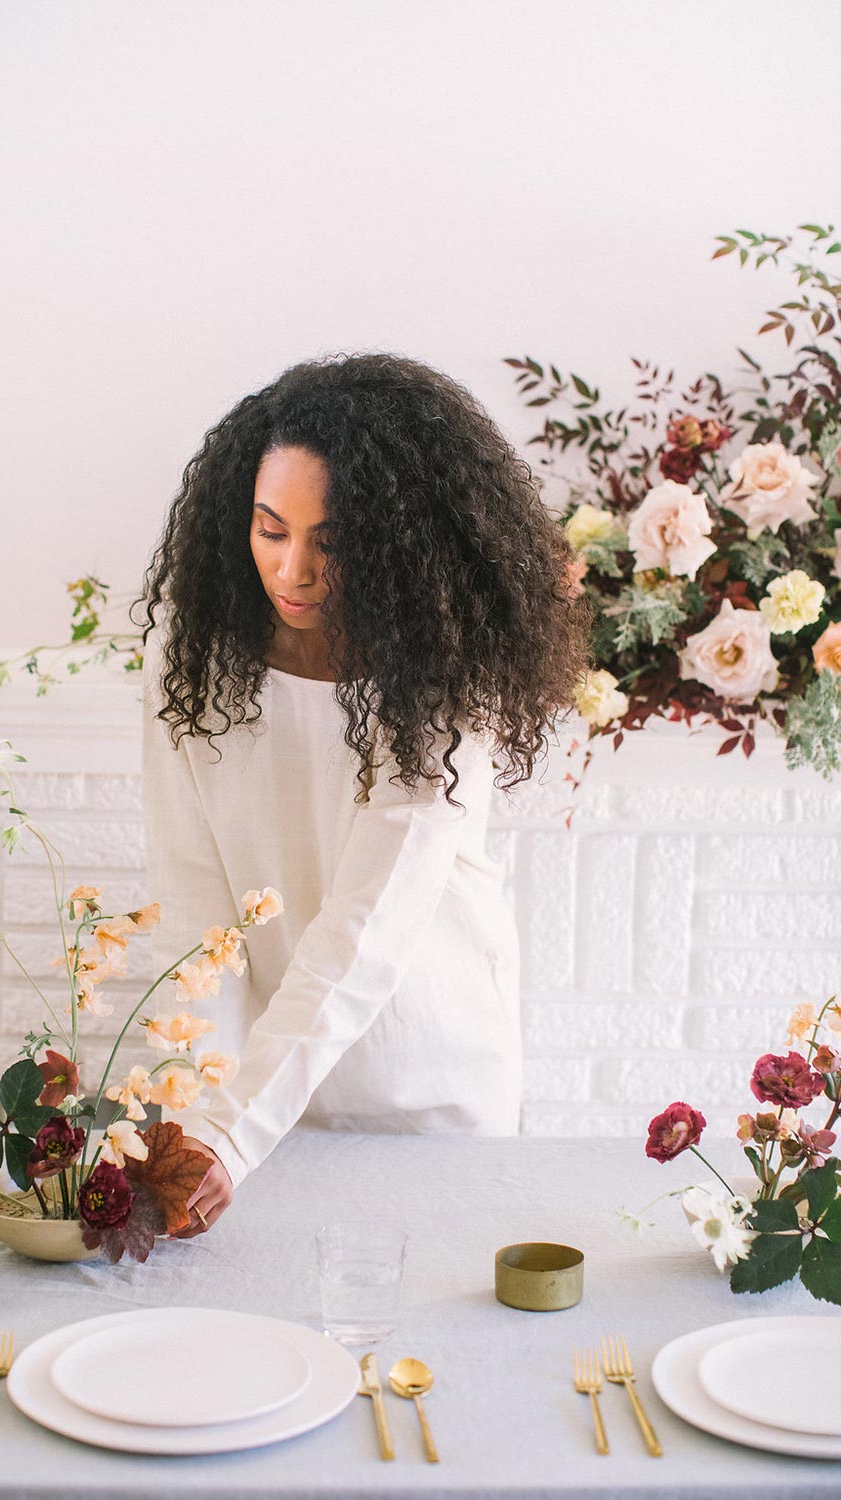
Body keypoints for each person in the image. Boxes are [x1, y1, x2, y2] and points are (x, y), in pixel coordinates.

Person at [136, 351, 590, 1236]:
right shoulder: (188, 669)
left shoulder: (441, 681)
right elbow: (194, 910)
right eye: (271, 530)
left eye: (332, 542)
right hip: (269, 1100)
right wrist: (189, 1123)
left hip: (429, 1083)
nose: (294, 569)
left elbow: (368, 926)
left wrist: (229, 1134)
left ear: (397, 544)